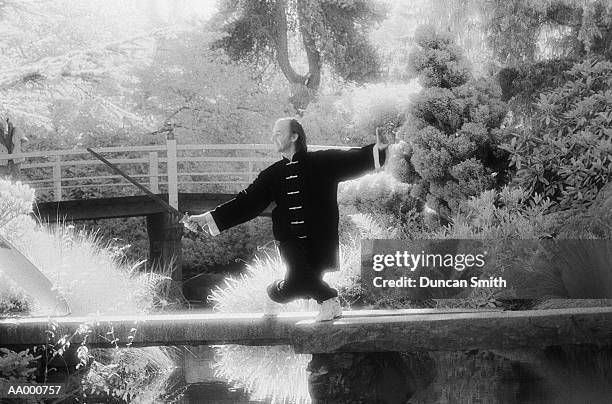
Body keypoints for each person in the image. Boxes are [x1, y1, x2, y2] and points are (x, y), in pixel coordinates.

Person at [188, 118, 390, 321]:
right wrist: (208, 217)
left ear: (294, 136)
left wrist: (379, 150)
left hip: (320, 238)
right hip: (289, 240)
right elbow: (246, 202)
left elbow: (352, 159)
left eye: (278, 133)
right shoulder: (271, 175)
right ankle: (330, 301)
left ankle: (274, 294)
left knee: (297, 285)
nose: (272, 137)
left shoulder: (323, 162)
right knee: (301, 276)